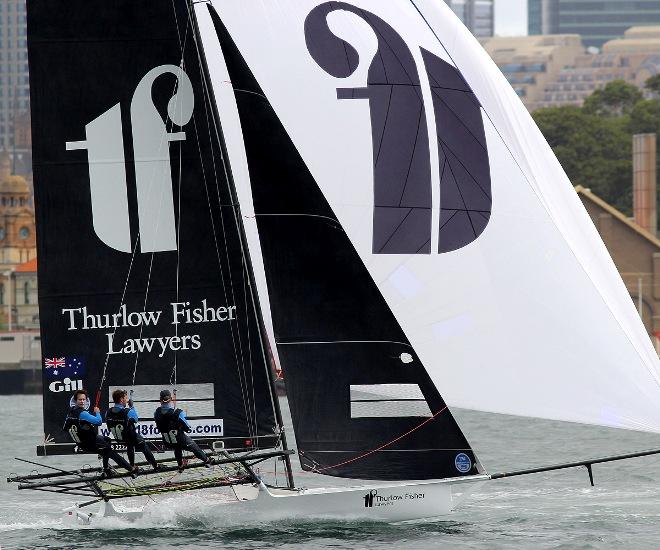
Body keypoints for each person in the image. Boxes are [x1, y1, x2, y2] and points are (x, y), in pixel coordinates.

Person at [63, 388, 135, 478]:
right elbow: (99, 422)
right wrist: (97, 413)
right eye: (79, 399)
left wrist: (83, 427)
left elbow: (66, 428)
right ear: (75, 400)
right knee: (110, 452)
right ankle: (132, 470)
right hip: (89, 443)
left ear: (86, 400)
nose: (82, 401)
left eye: (83, 399)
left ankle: (106, 469)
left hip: (82, 442)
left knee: (107, 440)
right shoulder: (83, 414)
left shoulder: (71, 412)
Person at [153, 389, 210, 471]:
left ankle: (180, 466)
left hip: (167, 442)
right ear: (171, 399)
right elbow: (187, 428)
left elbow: (163, 422)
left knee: (177, 447)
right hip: (180, 440)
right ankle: (207, 461)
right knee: (194, 447)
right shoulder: (178, 412)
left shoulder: (156, 413)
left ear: (160, 400)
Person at [106, 389, 159, 472]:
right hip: (130, 438)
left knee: (130, 445)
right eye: (125, 398)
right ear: (121, 399)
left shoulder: (108, 412)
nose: (126, 400)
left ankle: (132, 465)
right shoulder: (128, 411)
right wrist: (131, 406)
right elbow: (136, 419)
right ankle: (155, 466)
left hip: (119, 438)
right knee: (143, 445)